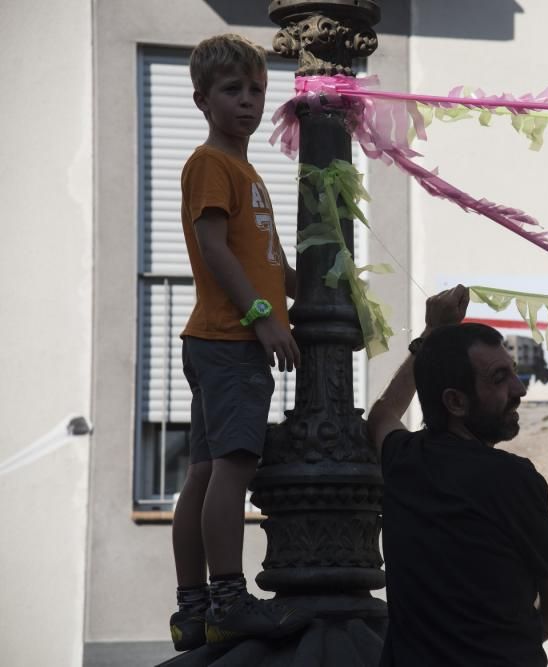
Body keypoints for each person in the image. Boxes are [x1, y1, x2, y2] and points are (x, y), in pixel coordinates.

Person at [168, 34, 310, 651]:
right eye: (232, 90)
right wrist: (262, 317)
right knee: (233, 466)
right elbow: (214, 250)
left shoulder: (245, 170)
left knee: (203, 472)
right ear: (202, 100)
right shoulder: (212, 164)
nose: (248, 101)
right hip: (228, 340)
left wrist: (314, 292)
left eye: (256, 89)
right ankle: (228, 599)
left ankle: (193, 609)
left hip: (221, 340)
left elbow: (265, 260)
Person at [367, 285, 548, 667]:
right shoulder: (513, 479)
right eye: (500, 378)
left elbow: (382, 414)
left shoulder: (404, 460)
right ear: (455, 402)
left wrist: (431, 333)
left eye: (513, 373)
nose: (520, 389)